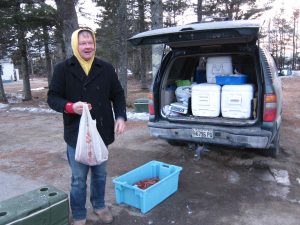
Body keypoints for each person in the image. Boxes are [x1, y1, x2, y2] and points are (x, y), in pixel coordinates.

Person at [47, 27, 127, 225]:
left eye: (90, 43)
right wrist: (70, 107)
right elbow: (52, 98)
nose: (87, 46)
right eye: (83, 43)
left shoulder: (106, 68)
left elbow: (117, 94)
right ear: (75, 44)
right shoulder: (63, 69)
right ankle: (79, 215)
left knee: (100, 174)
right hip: (77, 134)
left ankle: (99, 206)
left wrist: (120, 117)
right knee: (78, 179)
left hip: (101, 131)